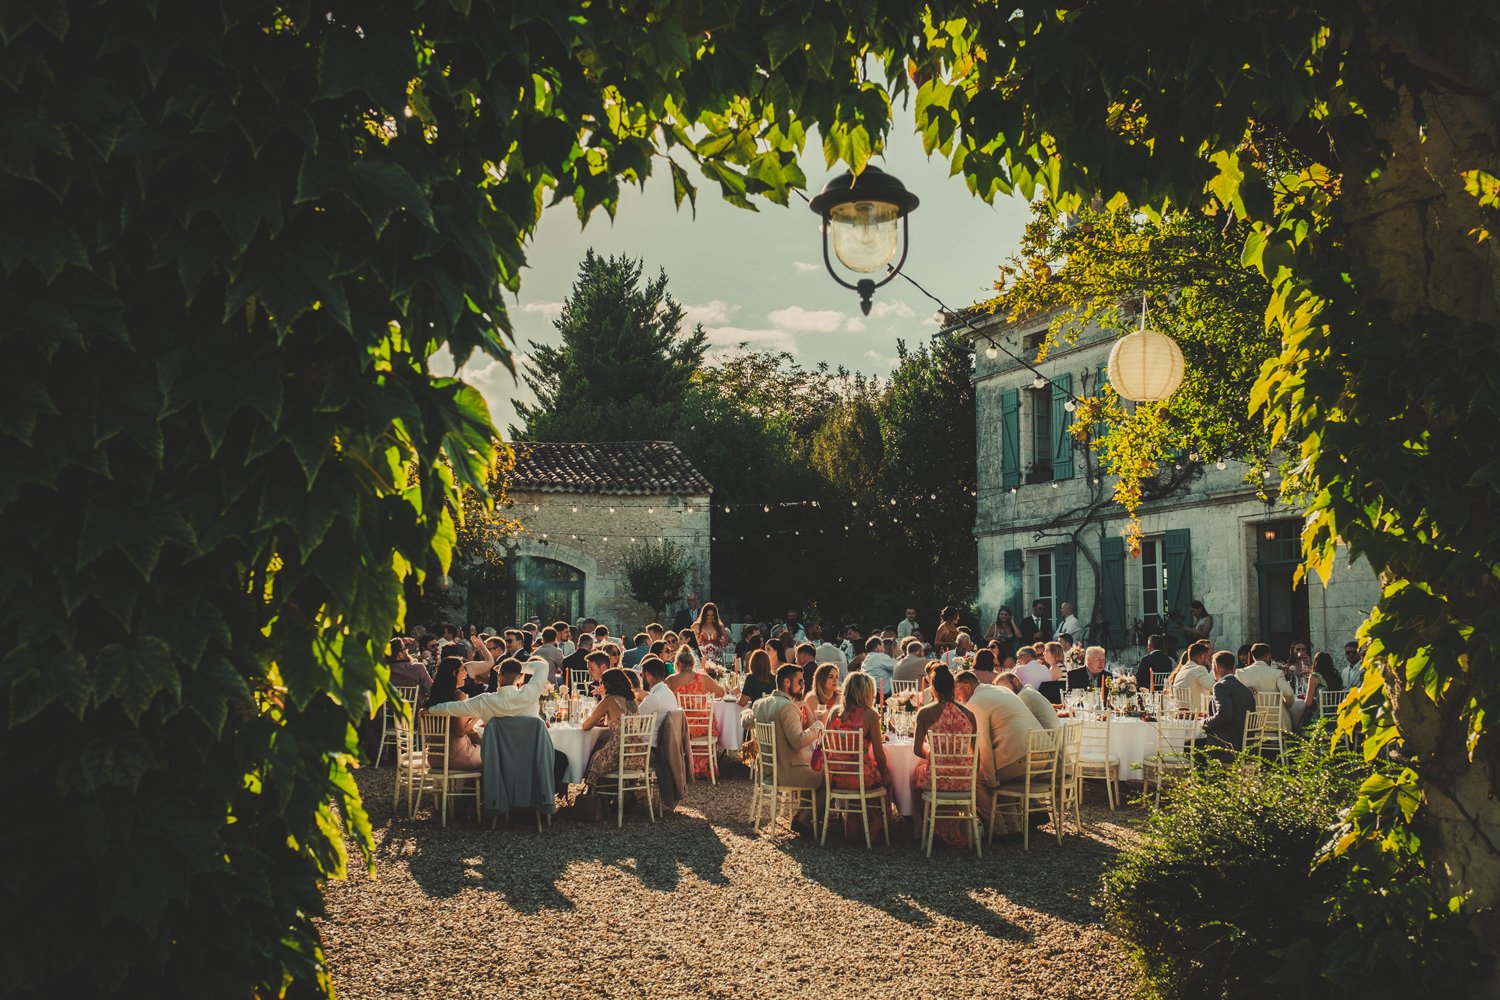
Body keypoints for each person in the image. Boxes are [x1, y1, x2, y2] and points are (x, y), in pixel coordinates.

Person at [425, 657, 569, 786]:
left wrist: (430, 710)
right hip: (531, 755)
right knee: (561, 759)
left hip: (500, 758)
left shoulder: (485, 701)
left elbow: (452, 708)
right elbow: (542, 666)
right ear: (519, 678)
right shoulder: (530, 693)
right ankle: (539, 797)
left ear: (499, 676)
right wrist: (520, 666)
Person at [751, 663, 825, 834]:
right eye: (800, 682)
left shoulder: (760, 704)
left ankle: (803, 815)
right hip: (788, 770)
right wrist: (818, 726)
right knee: (829, 778)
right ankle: (804, 817)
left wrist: (748, 715)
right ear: (786, 682)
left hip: (768, 769)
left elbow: (746, 720)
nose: (802, 686)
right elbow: (798, 741)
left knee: (815, 770)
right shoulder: (787, 707)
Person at [912, 663, 978, 848]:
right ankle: (951, 825)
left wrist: (932, 752)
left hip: (938, 779)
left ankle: (921, 826)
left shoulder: (925, 713)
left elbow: (917, 750)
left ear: (932, 689)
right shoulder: (969, 714)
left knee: (917, 776)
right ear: (953, 688)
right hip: (964, 779)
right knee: (924, 774)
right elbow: (975, 752)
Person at [825, 672, 892, 842]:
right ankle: (880, 830)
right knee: (887, 779)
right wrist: (884, 775)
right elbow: (879, 754)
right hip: (860, 777)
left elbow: (827, 745)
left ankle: (855, 826)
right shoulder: (870, 715)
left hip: (835, 776)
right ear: (867, 692)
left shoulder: (833, 713)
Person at [666, 646, 723, 776]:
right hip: (701, 727)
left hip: (680, 727)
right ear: (692, 663)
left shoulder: (670, 680)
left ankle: (683, 769)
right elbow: (721, 693)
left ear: (678, 664)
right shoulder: (702, 678)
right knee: (710, 718)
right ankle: (702, 769)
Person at [581, 668, 642, 790]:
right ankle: (609, 795)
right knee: (599, 747)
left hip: (618, 755)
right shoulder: (632, 701)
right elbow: (613, 722)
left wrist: (603, 697)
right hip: (636, 754)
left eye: (601, 683)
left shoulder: (609, 700)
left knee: (593, 756)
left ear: (607, 684)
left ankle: (594, 799)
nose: (600, 685)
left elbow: (586, 726)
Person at [1193, 650, 1257, 759]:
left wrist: (1203, 723)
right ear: (1232, 667)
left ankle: (1206, 775)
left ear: (1216, 666)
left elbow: (1224, 715)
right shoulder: (1244, 688)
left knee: (1191, 745)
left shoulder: (1221, 686)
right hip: (1247, 746)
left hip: (1227, 746)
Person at [426, 656, 484, 771]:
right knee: (491, 752)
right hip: (455, 757)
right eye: (463, 669)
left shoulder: (433, 698)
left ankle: (459, 788)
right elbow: (459, 731)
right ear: (454, 672)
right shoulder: (458, 696)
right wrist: (477, 716)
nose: (466, 674)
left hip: (433, 757)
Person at [1238, 642, 1295, 730]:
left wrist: (1245, 689)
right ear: (1268, 656)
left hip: (1251, 723)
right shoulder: (1276, 673)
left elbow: (1234, 692)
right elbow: (1288, 693)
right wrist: (1288, 704)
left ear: (1253, 656)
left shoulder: (1241, 673)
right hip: (1275, 723)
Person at [992, 669, 1061, 731]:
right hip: (1054, 738)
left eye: (1005, 689)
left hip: (1049, 741)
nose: (1005, 693)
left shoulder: (1023, 696)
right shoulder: (1028, 690)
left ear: (1015, 682)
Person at [1299, 650, 1345, 729]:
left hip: (1319, 718)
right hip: (1337, 718)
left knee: (1299, 720)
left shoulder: (1314, 677)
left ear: (1315, 663)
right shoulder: (1337, 677)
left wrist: (1306, 697)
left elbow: (1308, 703)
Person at [691, 601, 730, 671]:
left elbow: (726, 642)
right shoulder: (697, 626)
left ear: (715, 615)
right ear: (704, 615)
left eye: (712, 615)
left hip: (717, 661)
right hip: (701, 661)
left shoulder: (720, 626)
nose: (710, 617)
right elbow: (690, 642)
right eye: (708, 615)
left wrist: (724, 642)